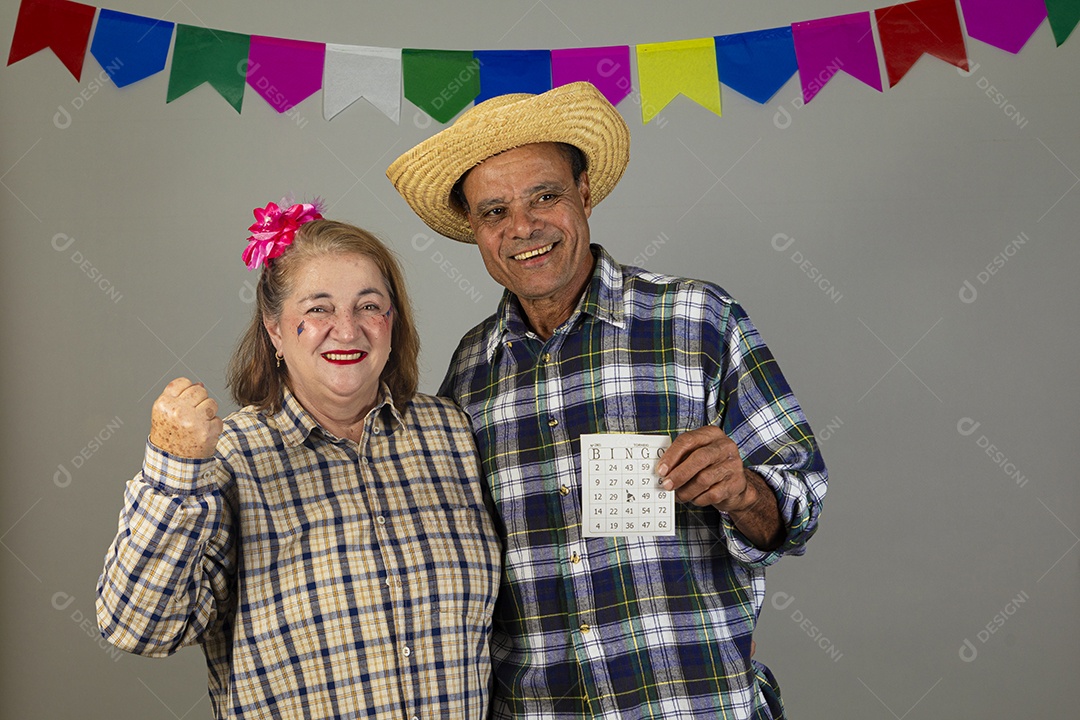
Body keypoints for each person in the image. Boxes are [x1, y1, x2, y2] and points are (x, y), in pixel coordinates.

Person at [386, 82, 828, 719]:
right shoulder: (467, 377)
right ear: (476, 232)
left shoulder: (698, 319)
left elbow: (801, 504)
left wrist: (743, 491)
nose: (523, 228)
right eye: (494, 212)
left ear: (584, 192)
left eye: (545, 196)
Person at [96, 202, 501, 720]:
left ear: (392, 321)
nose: (348, 330)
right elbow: (139, 627)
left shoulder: (452, 434)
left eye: (369, 306)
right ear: (275, 331)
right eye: (318, 309)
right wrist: (173, 472)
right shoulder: (226, 460)